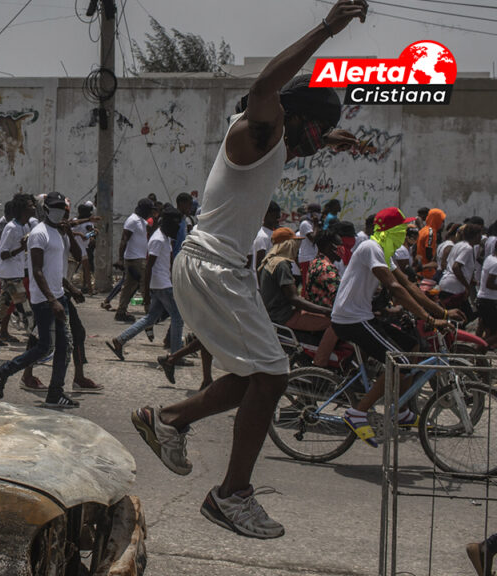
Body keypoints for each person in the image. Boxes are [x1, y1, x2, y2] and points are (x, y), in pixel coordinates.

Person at [130, 0, 367, 539]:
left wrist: (334, 137)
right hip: (213, 266)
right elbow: (266, 87)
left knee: (252, 379)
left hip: (217, 267)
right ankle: (231, 494)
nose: (312, 146)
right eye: (315, 132)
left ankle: (167, 421)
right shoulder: (254, 129)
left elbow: (298, 136)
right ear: (291, 117)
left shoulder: (276, 145)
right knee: (274, 375)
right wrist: (329, 28)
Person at [332, 207, 458, 446]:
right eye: (401, 230)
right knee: (399, 362)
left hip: (362, 316)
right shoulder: (371, 248)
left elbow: (409, 286)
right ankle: (357, 413)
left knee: (410, 347)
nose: (405, 234)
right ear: (389, 231)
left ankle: (399, 411)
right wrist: (430, 320)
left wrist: (441, 312)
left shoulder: (383, 253)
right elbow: (396, 289)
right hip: (351, 319)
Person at [0, 192, 83, 408]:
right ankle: (3, 371)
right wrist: (52, 300)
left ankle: (55, 393)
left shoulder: (59, 233)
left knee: (64, 345)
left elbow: (72, 260)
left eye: (63, 207)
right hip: (44, 299)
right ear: (47, 209)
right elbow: (38, 271)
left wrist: (70, 289)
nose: (61, 211)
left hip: (58, 294)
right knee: (45, 347)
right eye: (56, 207)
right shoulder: (39, 234)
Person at [107, 207, 184, 362]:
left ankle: (120, 340)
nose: (178, 229)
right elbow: (149, 266)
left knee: (150, 318)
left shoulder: (165, 238)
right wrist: (146, 293)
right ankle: (176, 356)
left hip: (163, 283)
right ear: (168, 223)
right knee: (178, 318)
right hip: (161, 286)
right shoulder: (158, 239)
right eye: (176, 225)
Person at [258, 228, 337, 367]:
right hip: (284, 315)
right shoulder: (282, 264)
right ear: (288, 245)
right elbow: (294, 298)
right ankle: (320, 363)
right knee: (336, 324)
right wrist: (325, 311)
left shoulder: (269, 261)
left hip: (274, 313)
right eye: (295, 244)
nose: (297, 249)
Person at [0, 193, 33, 343]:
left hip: (17, 273)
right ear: (22, 210)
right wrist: (22, 248)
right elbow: (4, 254)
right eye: (29, 206)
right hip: (9, 276)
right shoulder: (11, 228)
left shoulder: (25, 226)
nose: (33, 208)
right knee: (24, 309)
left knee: (4, 307)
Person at [114, 198, 155, 323]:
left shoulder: (141, 221)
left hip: (138, 258)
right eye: (149, 210)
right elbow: (124, 239)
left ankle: (121, 312)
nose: (150, 213)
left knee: (129, 287)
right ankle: (151, 313)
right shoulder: (132, 220)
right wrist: (120, 259)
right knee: (145, 284)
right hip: (135, 259)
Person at [438, 223, 482, 322]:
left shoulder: (459, 245)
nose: (481, 237)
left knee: (465, 316)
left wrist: (472, 281)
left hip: (448, 283)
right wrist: (467, 286)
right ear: (475, 236)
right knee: (464, 317)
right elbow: (456, 267)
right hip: (454, 287)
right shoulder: (468, 248)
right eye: (479, 235)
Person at [249, 201, 280, 273]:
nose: (277, 220)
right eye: (275, 217)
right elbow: (259, 265)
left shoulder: (273, 234)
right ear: (266, 215)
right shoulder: (262, 236)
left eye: (278, 218)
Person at [416, 208, 445, 279]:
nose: (443, 224)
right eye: (442, 221)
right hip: (427, 271)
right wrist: (434, 262)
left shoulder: (423, 230)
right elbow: (429, 252)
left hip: (421, 268)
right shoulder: (431, 232)